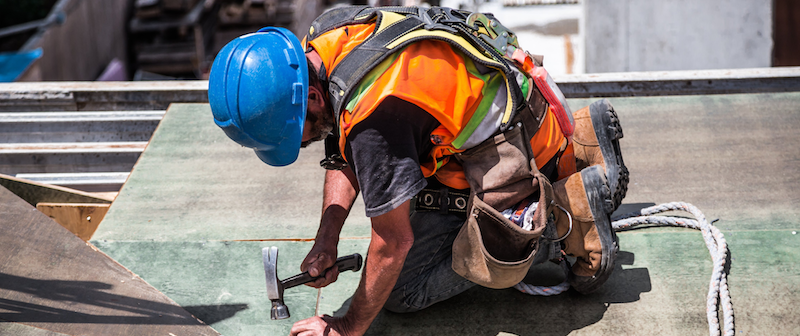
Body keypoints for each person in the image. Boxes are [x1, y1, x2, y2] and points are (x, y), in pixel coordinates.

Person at [208, 6, 628, 336]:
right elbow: (341, 145)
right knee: (398, 199)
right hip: (520, 109)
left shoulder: (376, 118)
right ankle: (585, 144)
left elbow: (392, 242)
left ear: (313, 96)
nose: (300, 144)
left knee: (404, 289)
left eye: (295, 133)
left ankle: (564, 221)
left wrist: (346, 327)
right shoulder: (324, 40)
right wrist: (327, 237)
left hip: (516, 155)